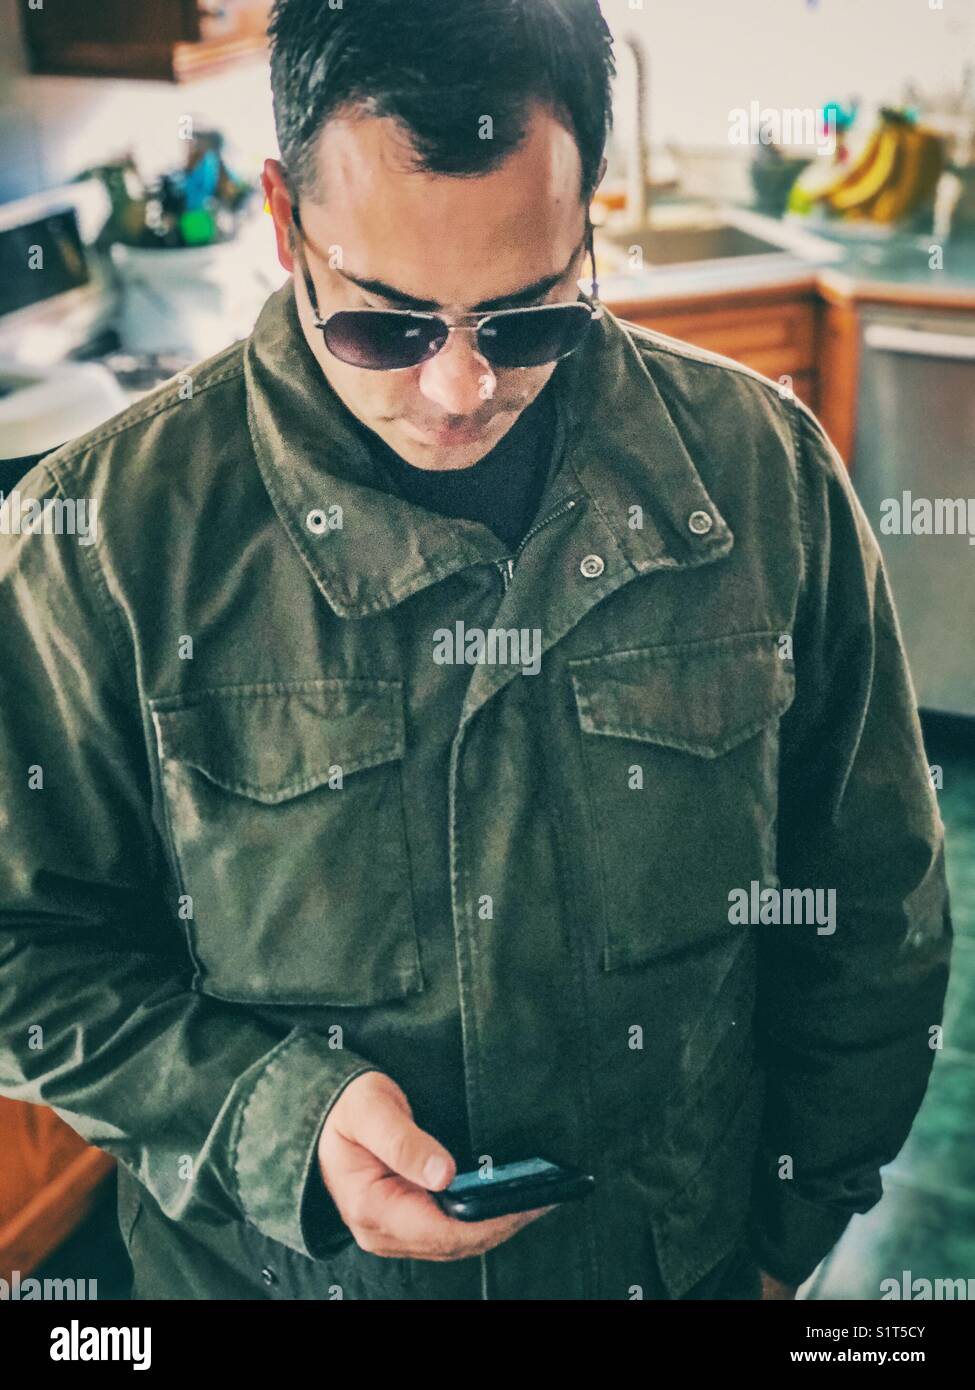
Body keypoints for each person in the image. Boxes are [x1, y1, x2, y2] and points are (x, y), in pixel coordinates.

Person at [0, 0, 952, 1302]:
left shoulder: (763, 475)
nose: (460, 392)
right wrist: (280, 1120)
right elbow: (25, 948)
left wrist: (787, 1243)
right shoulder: (101, 539)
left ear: (588, 223)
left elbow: (870, 908)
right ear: (285, 223)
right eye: (387, 325)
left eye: (528, 320)